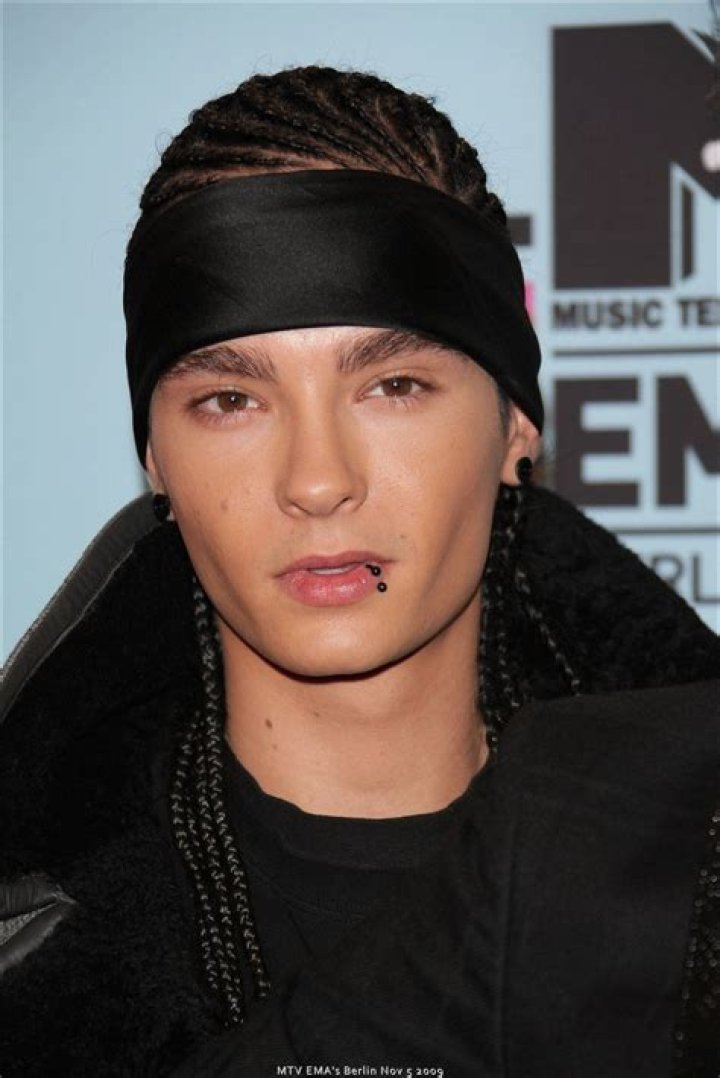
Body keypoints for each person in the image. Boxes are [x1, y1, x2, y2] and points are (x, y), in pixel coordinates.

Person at [1, 66, 718, 1078]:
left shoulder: (693, 859)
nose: (317, 481)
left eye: (395, 384)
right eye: (229, 401)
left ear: (516, 423)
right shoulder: (29, 940)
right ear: (156, 457)